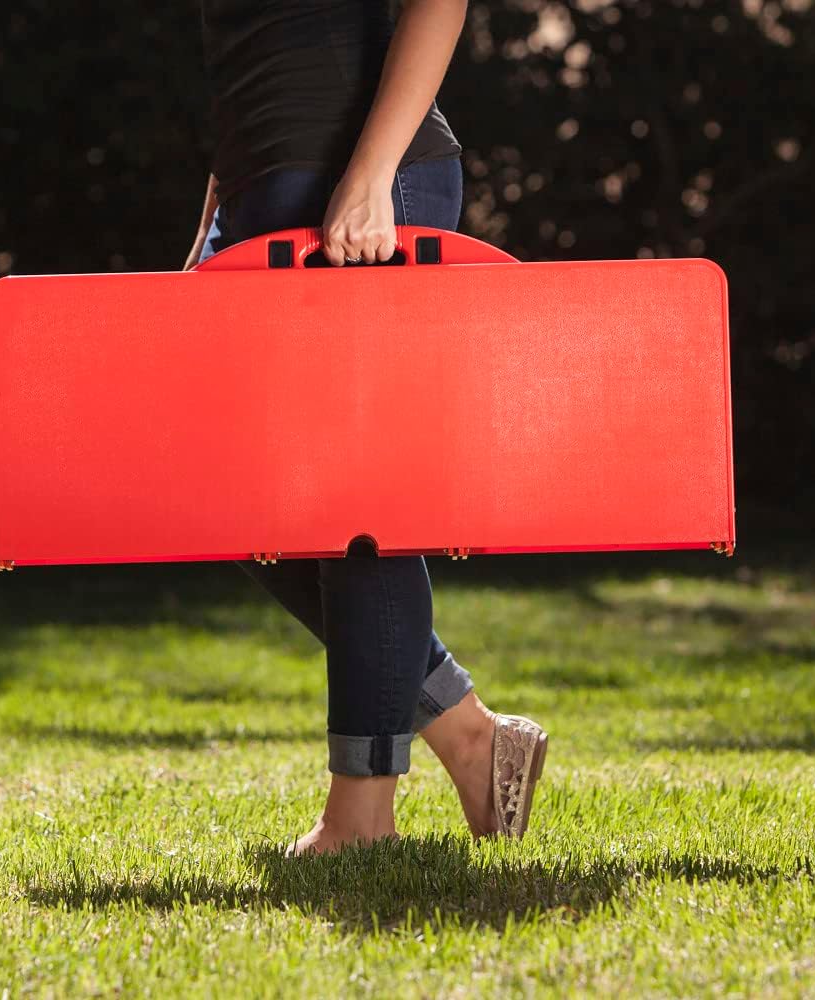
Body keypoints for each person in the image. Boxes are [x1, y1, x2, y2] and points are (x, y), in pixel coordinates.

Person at [183, 0, 548, 856]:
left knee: (358, 510)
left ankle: (362, 815)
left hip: (362, 187)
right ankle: (467, 732)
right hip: (261, 195)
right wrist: (214, 223)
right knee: (236, 502)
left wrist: (373, 172)